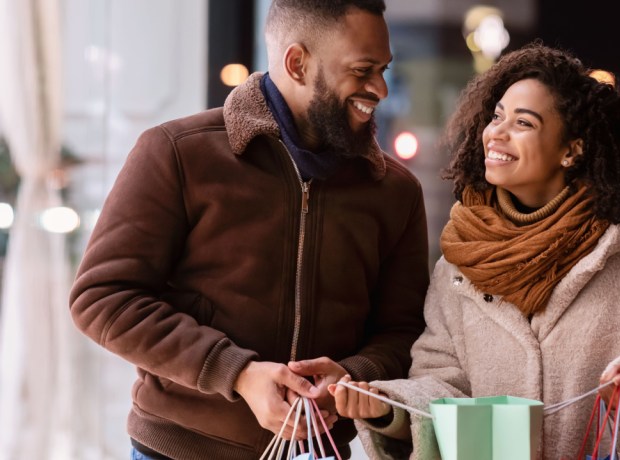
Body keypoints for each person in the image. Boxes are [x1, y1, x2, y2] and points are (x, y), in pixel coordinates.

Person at [325, 42, 620, 459]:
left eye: (523, 122)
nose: (496, 133)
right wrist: (387, 408)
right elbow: (444, 379)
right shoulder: (464, 255)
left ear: (571, 149)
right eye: (497, 116)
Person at [69, 1, 430, 459]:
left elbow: (405, 332)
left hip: (317, 452)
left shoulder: (394, 192)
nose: (379, 87)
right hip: (179, 450)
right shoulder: (177, 153)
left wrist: (352, 373)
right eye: (362, 71)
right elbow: (102, 297)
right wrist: (237, 373)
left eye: (383, 69)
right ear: (297, 63)